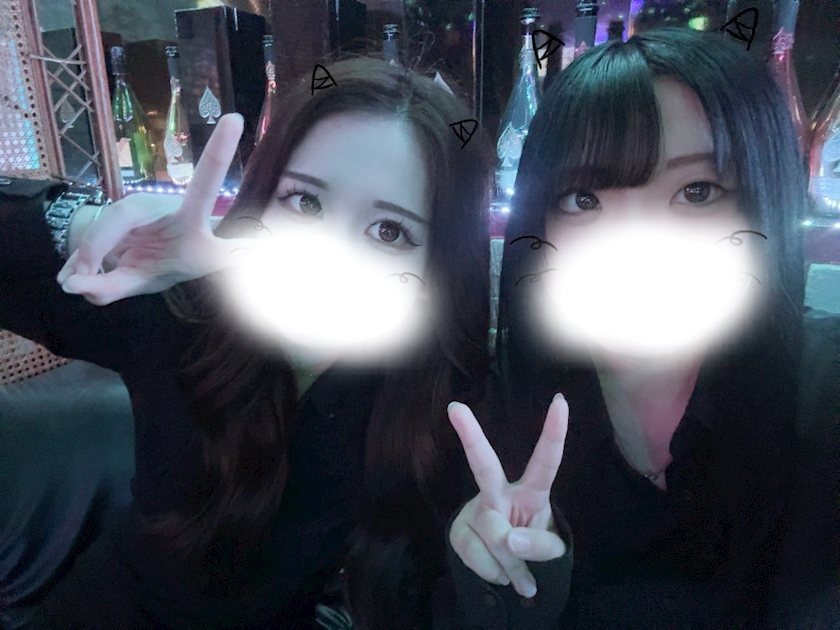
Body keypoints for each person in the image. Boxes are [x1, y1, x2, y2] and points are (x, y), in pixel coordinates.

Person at [0, 56, 494, 628]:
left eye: (389, 231)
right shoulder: (182, 304)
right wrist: (85, 227)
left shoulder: (441, 393)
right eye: (304, 201)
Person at [442, 27, 839, 630]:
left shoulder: (823, 394)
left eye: (697, 192)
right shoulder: (492, 412)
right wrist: (502, 580)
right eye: (582, 199)